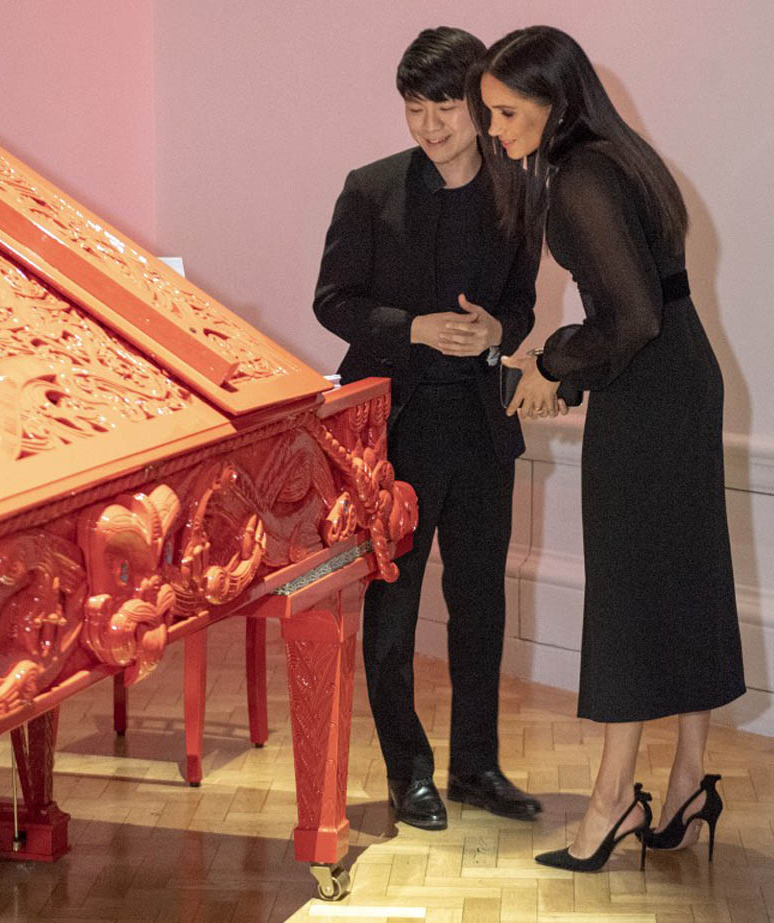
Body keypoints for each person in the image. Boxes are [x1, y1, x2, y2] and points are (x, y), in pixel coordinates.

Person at [468, 26, 746, 871]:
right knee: (686, 580)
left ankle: (613, 801)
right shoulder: (619, 158)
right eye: (490, 115)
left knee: (629, 592)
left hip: (652, 396)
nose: (495, 132)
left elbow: (631, 316)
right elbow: (645, 310)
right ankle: (688, 781)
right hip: (678, 380)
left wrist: (554, 364)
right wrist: (566, 370)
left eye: (506, 113)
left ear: (555, 100)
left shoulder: (582, 175)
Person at [313, 27, 543, 831]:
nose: (430, 125)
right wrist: (413, 328)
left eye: (445, 106)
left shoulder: (520, 191)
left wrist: (497, 332)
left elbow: (521, 304)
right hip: (396, 429)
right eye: (416, 108)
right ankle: (407, 773)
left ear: (477, 103)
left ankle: (476, 765)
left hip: (482, 425)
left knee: (481, 603)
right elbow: (333, 300)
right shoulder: (371, 188)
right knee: (395, 607)